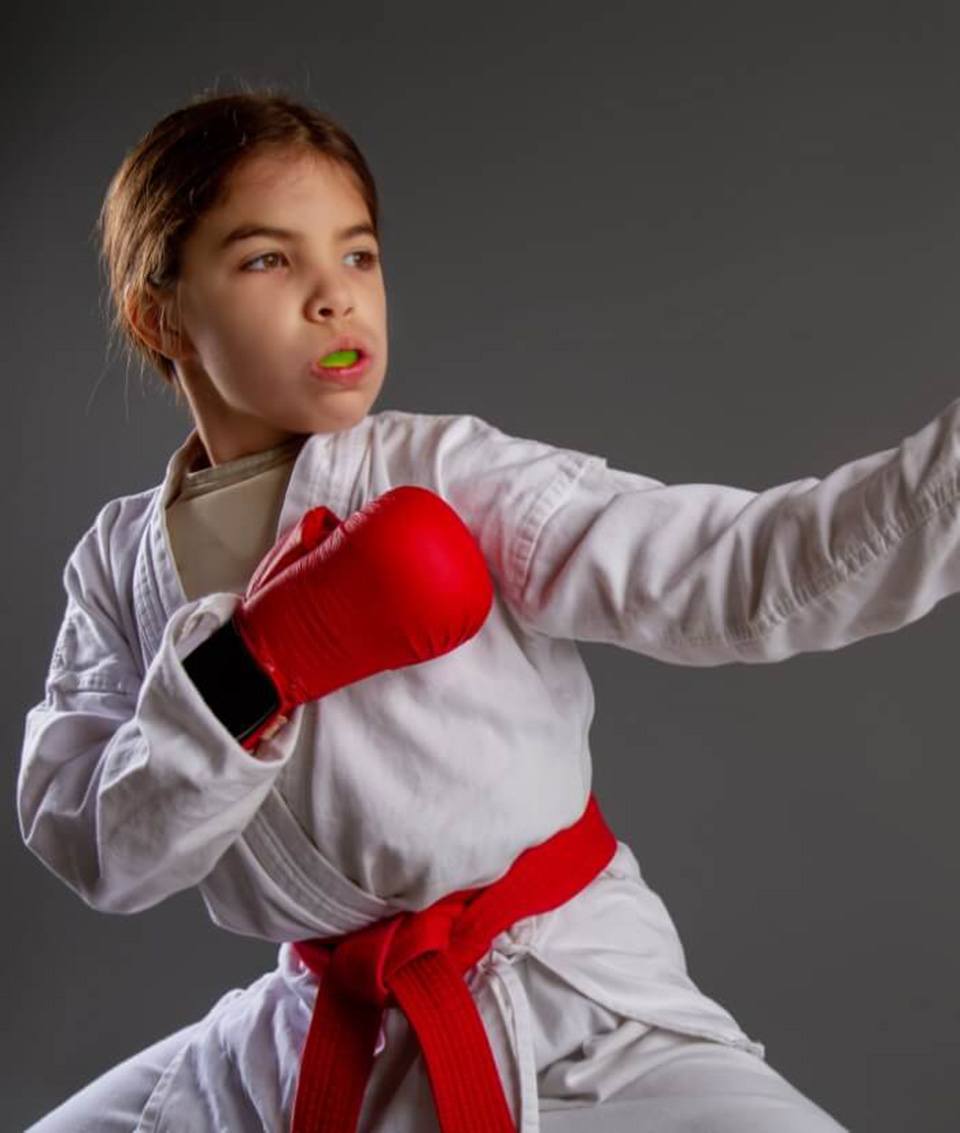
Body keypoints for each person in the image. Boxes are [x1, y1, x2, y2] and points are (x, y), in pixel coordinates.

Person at [24, 83, 960, 1133]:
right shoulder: (116, 563)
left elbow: (736, 573)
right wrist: (253, 665)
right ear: (159, 314)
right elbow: (101, 850)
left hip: (572, 1012)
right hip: (323, 1028)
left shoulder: (449, 474)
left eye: (358, 254)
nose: (334, 297)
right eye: (268, 260)